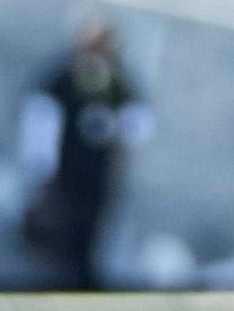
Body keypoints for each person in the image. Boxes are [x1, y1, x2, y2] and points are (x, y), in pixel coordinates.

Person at [21, 16, 153, 291]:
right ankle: (61, 279)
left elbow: (138, 123)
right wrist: (43, 166)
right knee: (61, 228)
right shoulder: (64, 77)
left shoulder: (118, 80)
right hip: (65, 172)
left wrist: (115, 125)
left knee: (92, 230)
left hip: (100, 171)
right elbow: (42, 119)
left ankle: (84, 278)